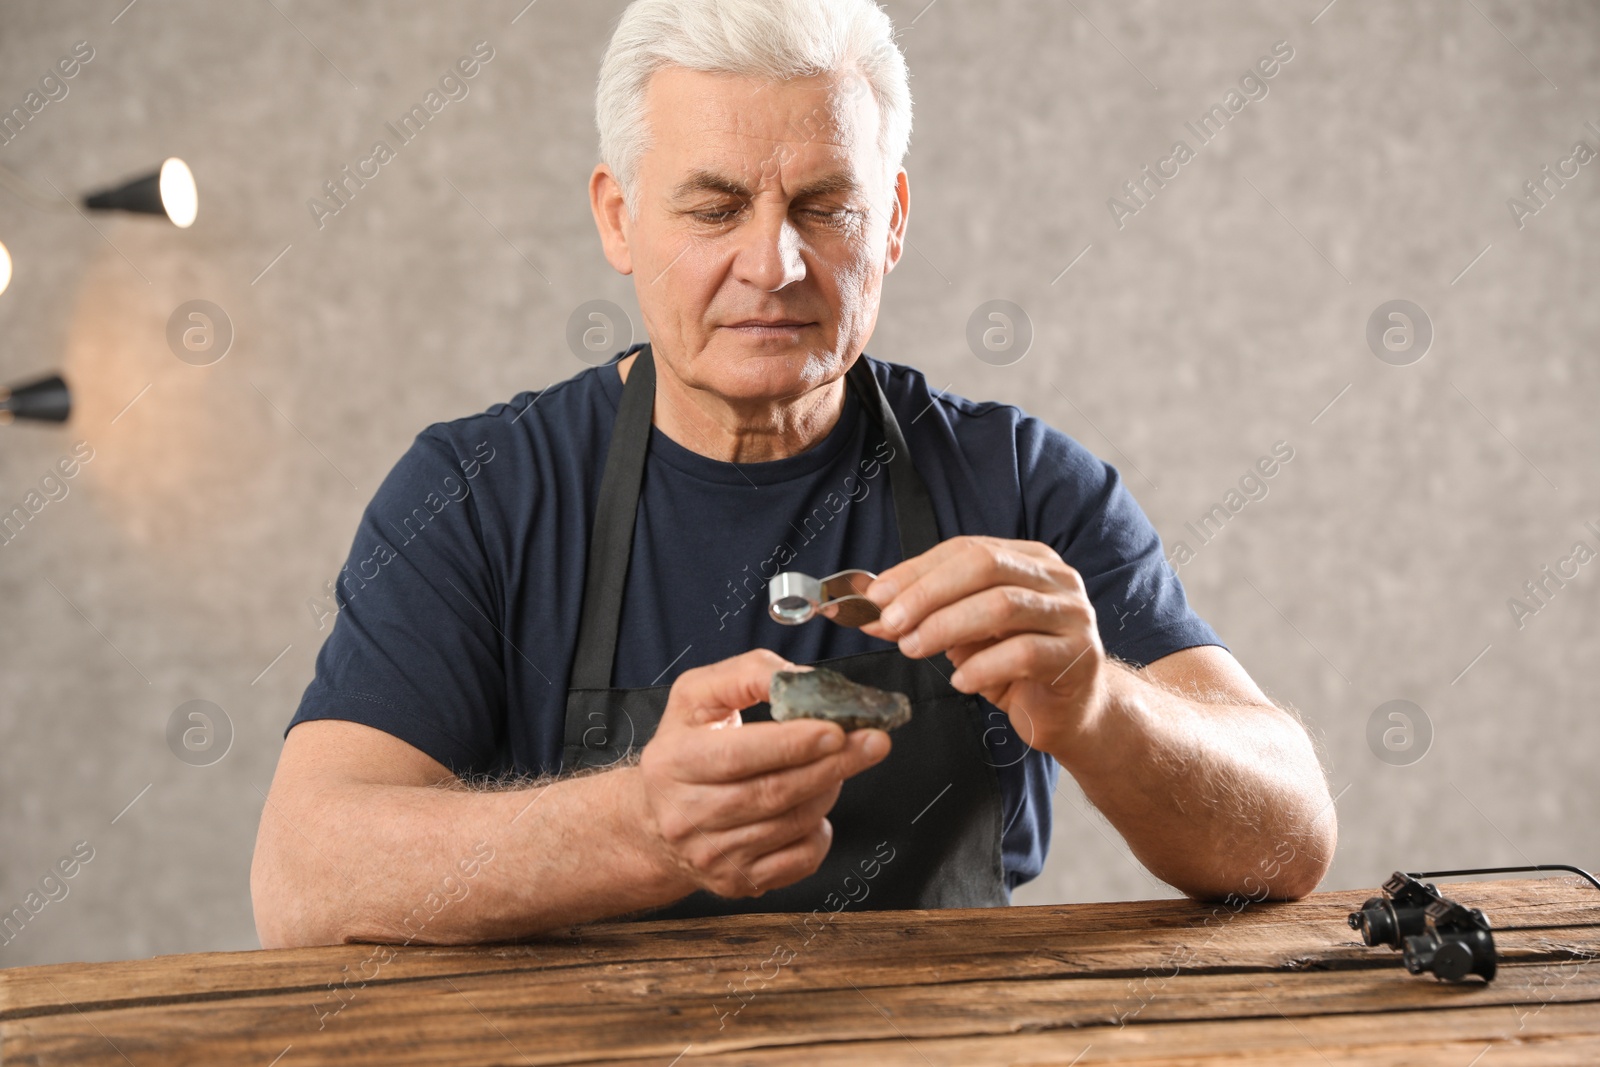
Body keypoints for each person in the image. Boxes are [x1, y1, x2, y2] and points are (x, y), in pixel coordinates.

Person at [251, 0, 1336, 949]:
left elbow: (1289, 839)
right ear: (618, 216)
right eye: (715, 208)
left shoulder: (1025, 483)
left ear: (893, 221)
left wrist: (1101, 707)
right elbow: (304, 877)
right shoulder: (480, 492)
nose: (771, 265)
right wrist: (641, 824)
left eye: (824, 207)